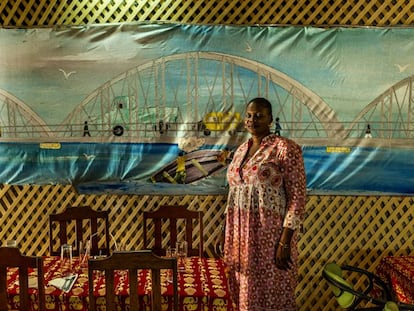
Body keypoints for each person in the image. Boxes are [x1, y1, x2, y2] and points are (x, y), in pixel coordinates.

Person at [223, 97, 307, 311]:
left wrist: (285, 242)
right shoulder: (241, 150)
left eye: (260, 115)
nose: (253, 120)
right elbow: (235, 194)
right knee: (243, 294)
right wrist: (224, 231)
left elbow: (297, 197)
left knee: (273, 293)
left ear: (270, 119)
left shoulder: (285, 148)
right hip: (239, 238)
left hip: (271, 238)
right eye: (249, 115)